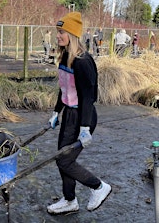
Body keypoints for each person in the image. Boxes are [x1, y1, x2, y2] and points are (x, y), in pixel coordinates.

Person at [47, 11, 112, 215]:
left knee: (64, 160)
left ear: (72, 34)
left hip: (82, 117)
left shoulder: (83, 61)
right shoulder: (66, 56)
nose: (57, 36)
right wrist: (57, 112)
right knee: (62, 159)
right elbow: (64, 88)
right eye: (57, 32)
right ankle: (69, 200)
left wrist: (85, 127)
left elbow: (88, 97)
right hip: (69, 115)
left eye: (61, 32)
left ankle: (99, 187)